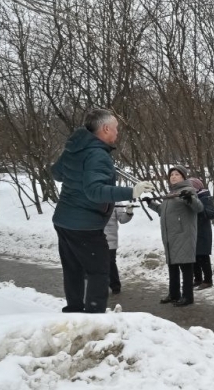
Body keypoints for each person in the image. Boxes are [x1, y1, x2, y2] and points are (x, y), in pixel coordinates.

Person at [51, 108, 155, 313]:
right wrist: (132, 191)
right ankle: (94, 316)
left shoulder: (74, 148)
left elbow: (57, 173)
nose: (117, 133)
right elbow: (95, 191)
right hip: (85, 224)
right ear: (106, 128)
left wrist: (77, 174)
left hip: (63, 219)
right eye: (116, 128)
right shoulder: (97, 155)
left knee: (73, 269)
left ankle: (74, 310)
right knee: (99, 271)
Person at [147, 166, 204, 306]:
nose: (173, 176)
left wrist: (189, 198)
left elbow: (198, 208)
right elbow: (163, 210)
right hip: (170, 235)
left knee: (185, 267)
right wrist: (151, 203)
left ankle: (187, 296)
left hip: (183, 234)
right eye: (171, 174)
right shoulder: (170, 194)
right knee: (172, 266)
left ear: (184, 177)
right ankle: (174, 294)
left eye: (177, 174)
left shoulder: (188, 191)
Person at [189, 177, 214, 290]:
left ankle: (208, 280)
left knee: (203, 256)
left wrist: (199, 210)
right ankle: (197, 279)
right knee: (194, 256)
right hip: (193, 230)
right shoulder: (192, 197)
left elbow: (211, 213)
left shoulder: (205, 197)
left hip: (203, 231)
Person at [103, 203, 134, 295]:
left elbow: (122, 219)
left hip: (110, 239)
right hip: (94, 238)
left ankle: (115, 285)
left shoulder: (116, 201)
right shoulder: (93, 197)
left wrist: (128, 212)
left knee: (110, 262)